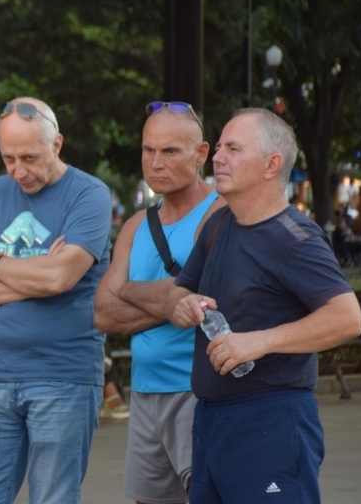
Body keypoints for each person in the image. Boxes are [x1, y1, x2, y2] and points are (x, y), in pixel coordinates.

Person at [161, 108, 361, 503]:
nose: (217, 157)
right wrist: (182, 304)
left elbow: (347, 318)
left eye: (233, 148)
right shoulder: (219, 225)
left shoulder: (295, 237)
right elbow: (176, 291)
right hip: (210, 420)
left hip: (271, 420)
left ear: (272, 165)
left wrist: (258, 342)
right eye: (218, 147)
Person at [0, 97, 113, 504]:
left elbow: (60, 276)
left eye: (29, 157)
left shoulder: (89, 194)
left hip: (64, 375)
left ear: (56, 144)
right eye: (8, 158)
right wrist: (24, 271)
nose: (19, 171)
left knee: (53, 498)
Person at [94, 100, 224, 504]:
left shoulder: (219, 214)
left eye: (170, 151)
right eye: (148, 150)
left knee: (205, 496)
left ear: (201, 154)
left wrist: (132, 291)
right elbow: (102, 312)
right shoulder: (136, 224)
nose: (155, 162)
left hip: (198, 390)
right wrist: (169, 300)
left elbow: (203, 299)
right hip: (145, 392)